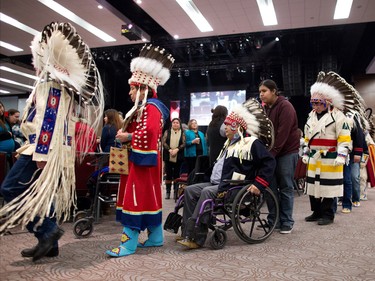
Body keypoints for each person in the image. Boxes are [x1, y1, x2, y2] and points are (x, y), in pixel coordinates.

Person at [0, 22, 104, 261]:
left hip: (44, 150)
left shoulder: (51, 84)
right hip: (50, 149)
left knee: (10, 188)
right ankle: (50, 245)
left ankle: (47, 230)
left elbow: (49, 120)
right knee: (46, 197)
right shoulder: (58, 83)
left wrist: (42, 155)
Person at [178, 99, 275, 249]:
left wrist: (259, 184)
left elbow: (269, 162)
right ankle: (186, 231)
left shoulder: (251, 143)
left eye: (228, 126)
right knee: (190, 190)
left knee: (206, 192)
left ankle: (196, 237)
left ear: (237, 127)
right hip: (218, 183)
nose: (225, 129)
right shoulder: (228, 144)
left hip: (232, 188)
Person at [106, 44, 174, 258]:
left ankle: (128, 244)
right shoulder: (147, 108)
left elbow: (151, 133)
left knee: (134, 199)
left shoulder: (151, 108)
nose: (130, 92)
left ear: (143, 88)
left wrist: (129, 137)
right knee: (147, 199)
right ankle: (155, 237)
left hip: (143, 163)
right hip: (143, 161)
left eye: (133, 88)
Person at [302, 71, 352, 226]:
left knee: (329, 189)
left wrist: (341, 156)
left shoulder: (339, 117)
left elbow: (344, 139)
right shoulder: (310, 116)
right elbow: (307, 138)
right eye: (313, 103)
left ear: (328, 102)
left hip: (330, 159)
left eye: (318, 103)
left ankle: (328, 215)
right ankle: (316, 212)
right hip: (314, 158)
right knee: (313, 186)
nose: (315, 106)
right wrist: (305, 152)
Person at [259, 79, 299, 234]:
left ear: (274, 91)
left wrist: (271, 154)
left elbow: (283, 134)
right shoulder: (266, 109)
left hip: (287, 152)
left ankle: (287, 221)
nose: (261, 94)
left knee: (285, 187)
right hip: (273, 153)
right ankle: (273, 220)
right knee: (270, 188)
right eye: (260, 91)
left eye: (264, 91)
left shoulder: (285, 106)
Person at [340, 113, 364, 214]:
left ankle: (348, 202)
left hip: (348, 153)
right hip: (332, 151)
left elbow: (359, 135)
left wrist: (358, 152)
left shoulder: (351, 115)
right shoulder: (330, 113)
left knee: (349, 178)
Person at [162, 118, 186, 200]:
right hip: (168, 155)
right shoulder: (167, 132)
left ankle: (175, 192)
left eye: (177, 123)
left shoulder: (183, 133)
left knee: (177, 174)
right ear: (171, 124)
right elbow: (163, 142)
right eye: (174, 122)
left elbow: (184, 143)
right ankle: (168, 192)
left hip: (178, 155)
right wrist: (170, 150)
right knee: (168, 174)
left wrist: (177, 149)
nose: (175, 124)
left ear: (180, 124)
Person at [0, 102, 15, 166]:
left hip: (9, 154)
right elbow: (9, 134)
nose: (1, 109)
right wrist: (7, 134)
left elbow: (11, 134)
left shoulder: (5, 120)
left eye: (1, 107)